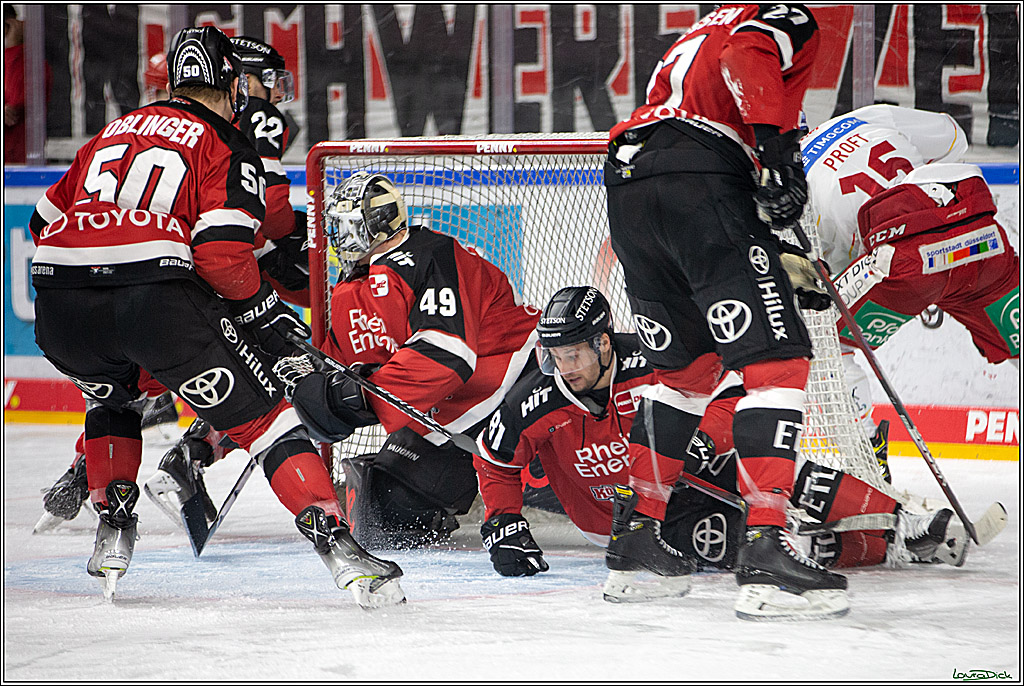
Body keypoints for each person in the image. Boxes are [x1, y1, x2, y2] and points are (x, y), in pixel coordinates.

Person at [27, 26, 403, 608]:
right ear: (232, 85)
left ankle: (113, 523)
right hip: (154, 304)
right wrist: (260, 312)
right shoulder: (224, 140)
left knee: (114, 398)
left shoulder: (112, 130)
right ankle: (339, 547)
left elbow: (40, 221)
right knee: (266, 421)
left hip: (60, 306)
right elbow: (222, 253)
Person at [601, 4, 848, 620]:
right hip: (700, 179)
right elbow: (748, 58)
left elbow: (716, 83)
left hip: (630, 188)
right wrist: (778, 154)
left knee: (685, 376)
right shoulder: (782, 14)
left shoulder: (701, 26)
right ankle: (767, 547)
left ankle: (636, 543)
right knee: (777, 361)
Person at [274, 171, 541, 549]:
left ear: (379, 223)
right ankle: (508, 471)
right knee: (386, 514)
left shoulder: (429, 254)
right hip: (450, 405)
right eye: (336, 228)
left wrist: (362, 399)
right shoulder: (353, 287)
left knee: (576, 482)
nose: (339, 239)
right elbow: (336, 364)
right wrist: (228, 429)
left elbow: (446, 354)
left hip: (516, 374)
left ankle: (538, 470)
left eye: (348, 227)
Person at [474, 286, 745, 592]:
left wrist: (703, 440)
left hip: (683, 487)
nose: (564, 369)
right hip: (610, 521)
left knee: (759, 456)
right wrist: (502, 521)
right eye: (556, 357)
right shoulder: (533, 399)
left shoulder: (654, 361)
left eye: (573, 355)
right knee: (737, 547)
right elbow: (493, 459)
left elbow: (732, 395)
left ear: (602, 342)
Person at [143, 35, 310, 528]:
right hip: (226, 267)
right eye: (271, 80)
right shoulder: (257, 115)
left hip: (162, 273)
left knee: (132, 377)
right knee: (288, 358)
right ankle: (194, 454)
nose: (277, 93)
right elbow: (273, 217)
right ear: (244, 78)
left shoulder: (163, 125)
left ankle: (94, 463)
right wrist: (298, 232)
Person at [801, 105, 1018, 457]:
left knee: (826, 342)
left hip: (907, 267)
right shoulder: (862, 118)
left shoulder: (790, 190)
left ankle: (868, 458)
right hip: (977, 234)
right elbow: (954, 139)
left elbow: (832, 281)